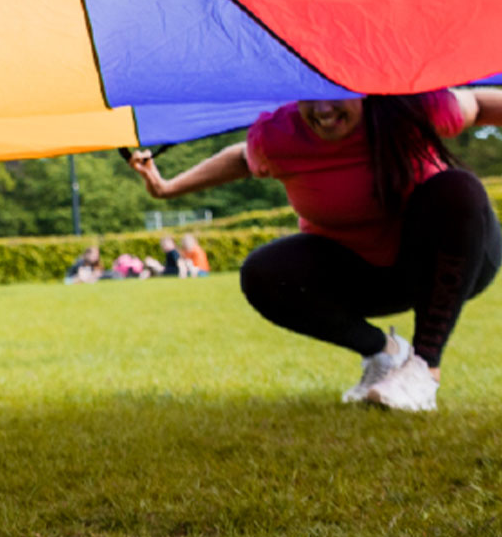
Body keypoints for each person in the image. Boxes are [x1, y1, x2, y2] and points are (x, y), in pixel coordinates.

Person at [130, 90, 502, 412]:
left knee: (458, 188)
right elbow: (244, 159)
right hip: (364, 275)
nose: (323, 110)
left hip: (445, 265)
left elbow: (480, 104)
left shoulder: (414, 108)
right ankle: (385, 353)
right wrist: (167, 188)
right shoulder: (279, 135)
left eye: (336, 95)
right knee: (262, 272)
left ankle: (423, 367)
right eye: (309, 97)